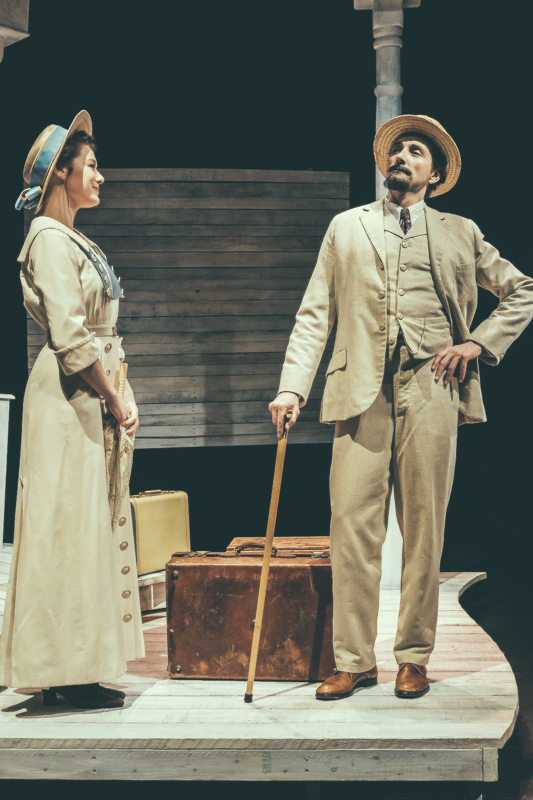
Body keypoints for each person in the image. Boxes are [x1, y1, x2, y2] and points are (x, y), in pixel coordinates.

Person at [269, 115, 533, 701]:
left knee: (423, 528)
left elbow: (524, 289)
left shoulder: (461, 231)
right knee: (352, 528)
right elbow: (315, 311)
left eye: (415, 151)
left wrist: (477, 343)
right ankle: (353, 661)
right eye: (397, 149)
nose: (401, 157)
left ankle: (414, 657)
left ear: (434, 174)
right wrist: (292, 387)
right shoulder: (347, 226)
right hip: (358, 388)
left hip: (432, 388)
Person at [0, 111, 145, 709]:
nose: (100, 176)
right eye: (91, 165)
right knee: (64, 527)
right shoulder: (47, 239)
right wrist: (110, 394)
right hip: (69, 396)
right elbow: (69, 333)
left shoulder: (70, 238)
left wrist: (118, 389)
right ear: (61, 174)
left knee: (85, 526)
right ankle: (59, 667)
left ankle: (80, 665)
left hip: (89, 390)